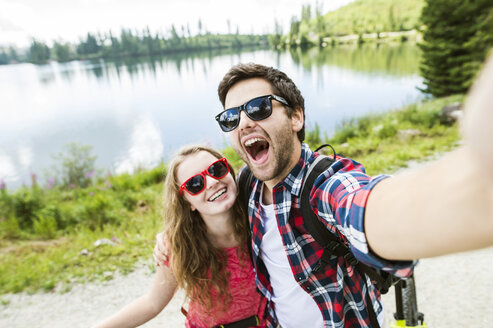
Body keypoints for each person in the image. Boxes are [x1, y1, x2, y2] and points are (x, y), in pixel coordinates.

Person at [156, 54, 493, 328]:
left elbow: (366, 208)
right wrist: (168, 236)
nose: (244, 122)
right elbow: (202, 204)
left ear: (296, 117)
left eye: (258, 107)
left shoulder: (324, 186)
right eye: (232, 117)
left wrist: (476, 189)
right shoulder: (246, 184)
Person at [93, 145, 266, 328]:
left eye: (216, 169)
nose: (212, 182)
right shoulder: (181, 244)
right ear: (186, 202)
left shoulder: (261, 219)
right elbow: (152, 303)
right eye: (195, 184)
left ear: (230, 172)